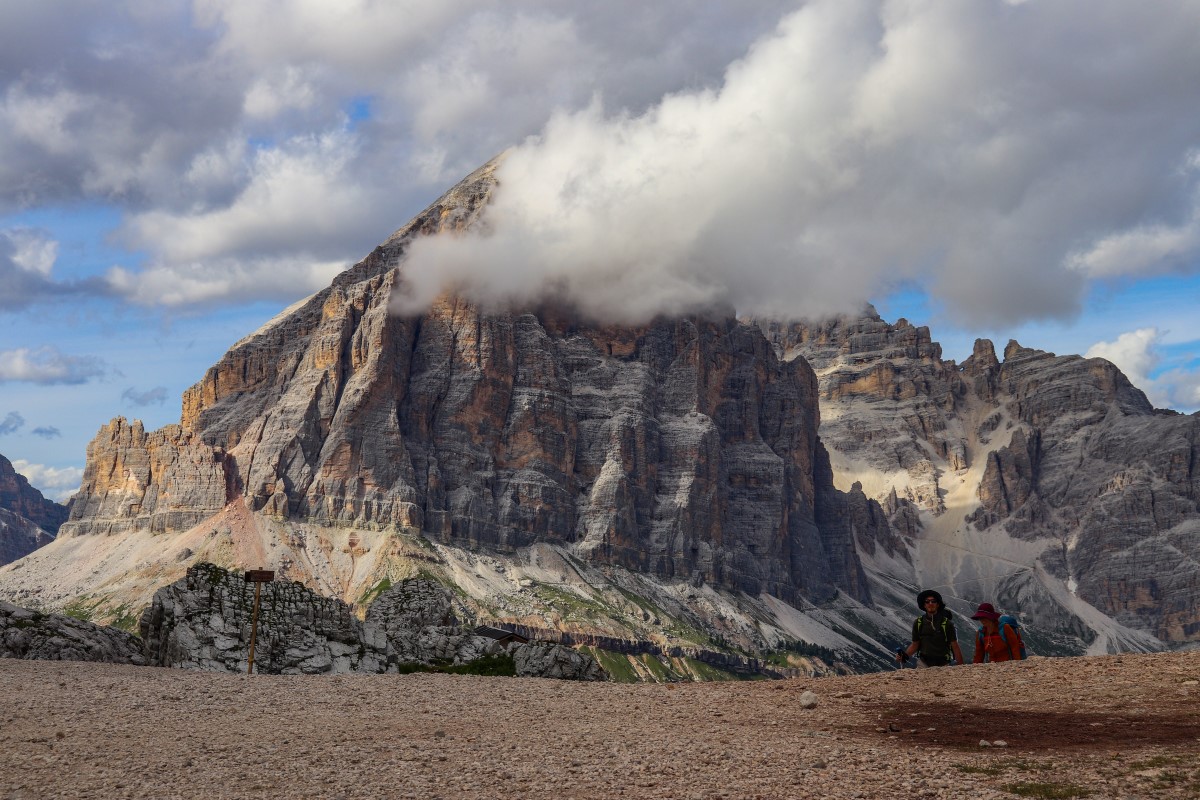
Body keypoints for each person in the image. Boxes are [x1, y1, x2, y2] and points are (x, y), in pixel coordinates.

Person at [897, 589, 965, 667]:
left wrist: (962, 667)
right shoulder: (918, 623)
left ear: (938, 604)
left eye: (933, 601)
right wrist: (904, 656)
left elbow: (955, 646)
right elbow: (915, 644)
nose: (930, 603)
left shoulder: (947, 624)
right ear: (924, 605)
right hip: (923, 663)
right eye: (927, 601)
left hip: (942, 664)